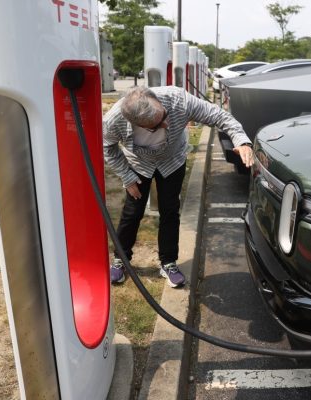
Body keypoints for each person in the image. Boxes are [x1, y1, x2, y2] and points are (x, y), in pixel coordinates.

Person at [103, 86, 253, 287]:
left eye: (163, 115)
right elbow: (107, 146)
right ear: (135, 123)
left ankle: (168, 262)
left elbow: (220, 116)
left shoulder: (179, 100)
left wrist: (242, 141)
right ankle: (121, 259)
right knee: (132, 211)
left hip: (172, 160)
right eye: (156, 125)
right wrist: (127, 177)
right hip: (138, 164)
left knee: (170, 209)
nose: (166, 123)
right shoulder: (115, 119)